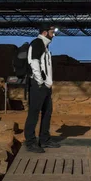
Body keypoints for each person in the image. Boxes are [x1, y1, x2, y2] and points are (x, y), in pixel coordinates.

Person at [23, 24, 60, 153]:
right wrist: (40, 81)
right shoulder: (37, 43)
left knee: (47, 112)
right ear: (44, 33)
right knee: (33, 113)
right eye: (52, 32)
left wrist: (47, 83)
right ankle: (30, 142)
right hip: (38, 84)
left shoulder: (45, 45)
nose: (53, 35)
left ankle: (44, 140)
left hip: (45, 85)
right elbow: (34, 62)